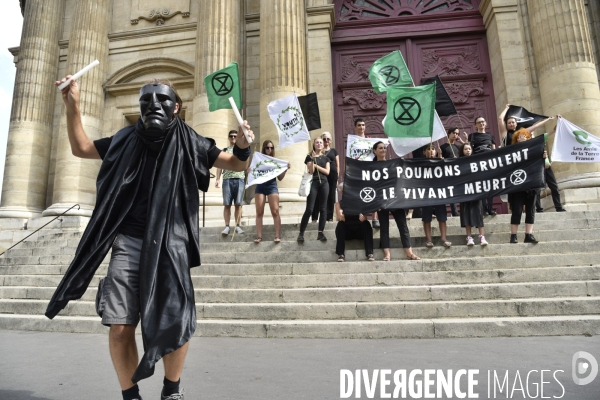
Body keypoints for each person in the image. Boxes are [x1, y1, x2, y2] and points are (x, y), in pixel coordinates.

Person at [46, 76, 254, 400]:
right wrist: (72, 104)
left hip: (171, 243)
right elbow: (81, 148)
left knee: (176, 319)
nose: (154, 105)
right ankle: (131, 395)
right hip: (127, 242)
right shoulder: (124, 138)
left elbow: (237, 162)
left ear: (176, 106)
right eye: (147, 100)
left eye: (162, 99)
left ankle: (171, 391)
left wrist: (243, 143)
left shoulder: (191, 140)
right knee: (118, 325)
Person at [373, 142, 420, 260]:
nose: (383, 150)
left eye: (384, 148)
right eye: (380, 148)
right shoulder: (371, 167)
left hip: (396, 200)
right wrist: (375, 202)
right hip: (381, 201)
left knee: (403, 226)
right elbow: (373, 185)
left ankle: (410, 253)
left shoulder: (393, 164)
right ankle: (387, 254)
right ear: (374, 151)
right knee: (384, 228)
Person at [508, 128, 548, 243]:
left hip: (532, 185)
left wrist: (543, 158)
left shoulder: (534, 150)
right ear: (516, 138)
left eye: (524, 136)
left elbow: (545, 166)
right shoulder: (511, 151)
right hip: (517, 186)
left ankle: (528, 235)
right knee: (517, 210)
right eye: (520, 136)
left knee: (530, 210)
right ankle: (513, 235)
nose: (522, 137)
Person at [252, 140, 289, 243]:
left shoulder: (275, 161)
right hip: (260, 186)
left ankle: (277, 236)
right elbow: (252, 171)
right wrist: (249, 171)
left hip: (272, 185)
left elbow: (280, 178)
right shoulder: (258, 160)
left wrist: (285, 169)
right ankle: (259, 236)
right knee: (259, 212)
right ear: (264, 148)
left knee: (275, 211)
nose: (270, 150)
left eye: (272, 148)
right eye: (267, 148)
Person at [298, 138, 330, 242]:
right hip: (314, 183)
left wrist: (316, 165)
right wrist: (312, 161)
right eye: (317, 142)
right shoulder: (309, 157)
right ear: (314, 145)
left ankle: (320, 233)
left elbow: (327, 172)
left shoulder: (326, 158)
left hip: (324, 183)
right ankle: (301, 233)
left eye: (321, 142)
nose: (319, 144)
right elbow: (311, 171)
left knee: (323, 208)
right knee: (309, 209)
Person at [421, 144, 452, 248]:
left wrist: (442, 162)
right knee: (426, 218)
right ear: (424, 152)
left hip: (439, 194)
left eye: (433, 149)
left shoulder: (440, 162)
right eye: (428, 149)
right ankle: (429, 240)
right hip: (426, 195)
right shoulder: (419, 164)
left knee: (442, 218)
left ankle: (443, 238)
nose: (431, 151)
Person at [334, 182, 374, 262]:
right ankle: (341, 254)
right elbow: (341, 218)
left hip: (359, 231)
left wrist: (364, 217)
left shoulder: (360, 202)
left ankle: (369, 253)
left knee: (367, 224)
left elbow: (365, 216)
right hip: (347, 233)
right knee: (340, 225)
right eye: (343, 191)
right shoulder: (338, 204)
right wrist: (342, 214)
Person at [215, 130, 245, 235]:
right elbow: (219, 165)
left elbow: (247, 164)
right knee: (227, 204)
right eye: (231, 136)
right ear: (228, 138)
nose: (233, 138)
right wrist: (218, 179)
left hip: (240, 179)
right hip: (227, 179)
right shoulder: (224, 151)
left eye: (235, 136)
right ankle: (227, 226)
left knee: (238, 204)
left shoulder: (242, 151)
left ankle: (238, 226)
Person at [458, 143, 488, 246]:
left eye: (469, 149)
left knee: (478, 213)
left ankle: (482, 237)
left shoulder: (476, 161)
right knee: (466, 214)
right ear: (462, 151)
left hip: (476, 192)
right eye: (465, 149)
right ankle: (469, 237)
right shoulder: (458, 163)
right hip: (464, 193)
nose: (468, 151)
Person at [536, 117, 567, 212]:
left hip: (547, 167)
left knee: (554, 187)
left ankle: (558, 207)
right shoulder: (527, 144)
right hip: (537, 168)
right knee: (537, 189)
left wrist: (559, 121)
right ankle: (539, 209)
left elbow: (553, 131)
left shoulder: (540, 138)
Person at [468, 116, 497, 215]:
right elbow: (469, 150)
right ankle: (484, 208)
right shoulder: (472, 136)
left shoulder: (490, 136)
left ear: (486, 123)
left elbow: (494, 150)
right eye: (479, 122)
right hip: (478, 164)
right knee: (482, 186)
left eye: (483, 121)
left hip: (489, 164)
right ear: (475, 125)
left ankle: (490, 208)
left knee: (491, 186)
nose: (481, 123)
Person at [311, 131, 339, 223]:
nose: (326, 140)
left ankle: (329, 217)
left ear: (330, 140)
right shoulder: (317, 152)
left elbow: (338, 165)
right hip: (321, 175)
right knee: (319, 195)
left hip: (332, 176)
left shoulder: (334, 151)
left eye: (328, 139)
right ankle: (315, 217)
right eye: (324, 139)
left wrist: (337, 178)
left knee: (331, 196)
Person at [440, 127, 463, 216]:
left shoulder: (458, 147)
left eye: (457, 133)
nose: (455, 135)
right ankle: (454, 212)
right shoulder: (443, 147)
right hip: (447, 173)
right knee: (450, 192)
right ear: (448, 133)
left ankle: (461, 212)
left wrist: (461, 142)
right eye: (453, 133)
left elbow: (468, 152)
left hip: (458, 173)